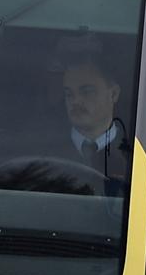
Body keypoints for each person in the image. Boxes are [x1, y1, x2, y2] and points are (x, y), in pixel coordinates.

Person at [54, 50, 128, 180]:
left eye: (87, 92)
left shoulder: (137, 156)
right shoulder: (44, 153)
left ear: (113, 94)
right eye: (69, 94)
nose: (75, 101)